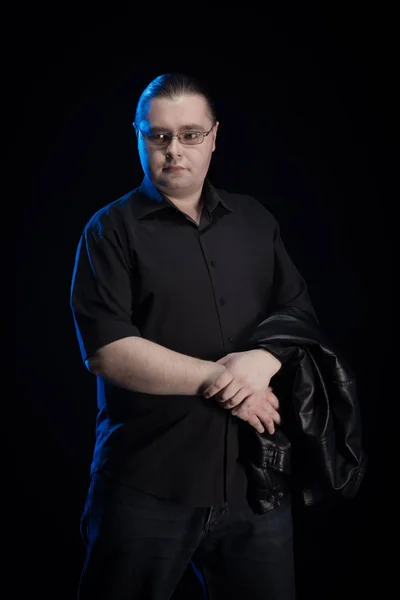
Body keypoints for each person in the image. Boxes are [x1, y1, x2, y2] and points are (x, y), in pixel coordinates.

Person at [69, 72, 358, 600]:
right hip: (146, 486)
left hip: (256, 486)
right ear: (138, 137)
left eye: (190, 134)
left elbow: (297, 311)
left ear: (215, 135)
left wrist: (262, 362)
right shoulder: (108, 231)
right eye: (158, 136)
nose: (173, 150)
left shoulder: (254, 220)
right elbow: (109, 353)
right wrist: (227, 381)